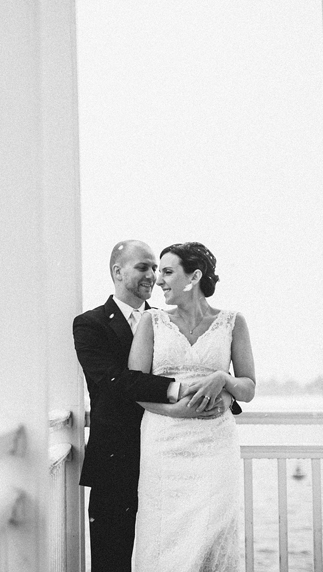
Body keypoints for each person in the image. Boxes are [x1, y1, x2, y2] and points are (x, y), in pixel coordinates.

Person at [73, 240, 227, 572]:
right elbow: (115, 380)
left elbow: (196, 366)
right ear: (118, 272)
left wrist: (220, 391)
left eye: (156, 268)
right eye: (143, 267)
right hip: (116, 461)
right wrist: (178, 390)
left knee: (170, 555)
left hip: (167, 459)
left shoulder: (166, 322)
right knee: (112, 561)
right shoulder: (90, 324)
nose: (153, 276)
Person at [129, 242, 256, 571]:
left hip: (215, 446)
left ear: (194, 276)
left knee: (212, 536)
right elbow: (134, 386)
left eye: (168, 272)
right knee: (164, 539)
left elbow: (248, 388)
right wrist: (175, 411)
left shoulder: (232, 322)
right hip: (164, 443)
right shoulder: (152, 321)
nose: (158, 280)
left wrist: (222, 378)